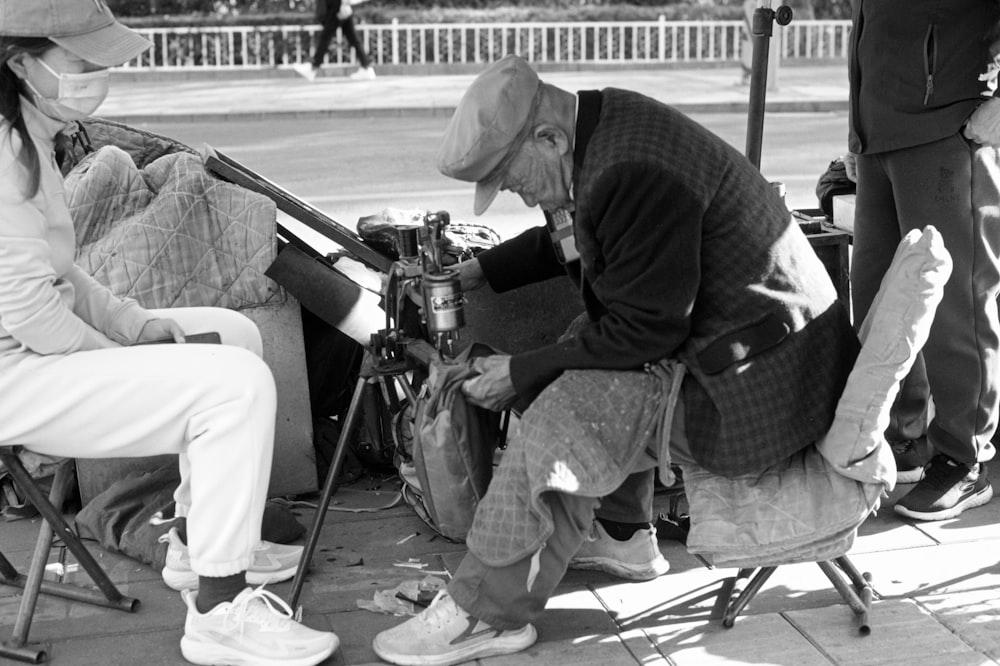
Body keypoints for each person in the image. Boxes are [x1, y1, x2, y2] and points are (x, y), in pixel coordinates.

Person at [372, 54, 858, 666]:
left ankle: (485, 613)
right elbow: (582, 235)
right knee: (579, 355)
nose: (520, 198)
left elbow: (644, 332)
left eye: (514, 180)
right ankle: (625, 535)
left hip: (762, 386)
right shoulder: (602, 126)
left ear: (548, 137)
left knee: (563, 416)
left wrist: (522, 372)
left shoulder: (631, 169)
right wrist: (477, 272)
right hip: (757, 350)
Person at [0, 2, 338, 664]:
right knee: (232, 388)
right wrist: (126, 360)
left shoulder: (31, 131)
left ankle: (196, 540)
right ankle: (218, 611)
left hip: (34, 349)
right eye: (81, 61)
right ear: (19, 62)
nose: (99, 72)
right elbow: (31, 310)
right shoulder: (6, 152)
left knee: (233, 335)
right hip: (15, 375)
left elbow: (63, 273)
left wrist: (139, 325)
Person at [844, 0, 1000, 520]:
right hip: (878, 135)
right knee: (877, 298)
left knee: (959, 306)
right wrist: (857, 127)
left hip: (949, 126)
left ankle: (965, 458)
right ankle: (902, 439)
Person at [296, 0, 375, 81]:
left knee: (326, 37)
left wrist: (343, 4)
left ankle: (313, 68)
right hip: (340, 6)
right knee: (353, 38)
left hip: (337, 6)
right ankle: (366, 67)